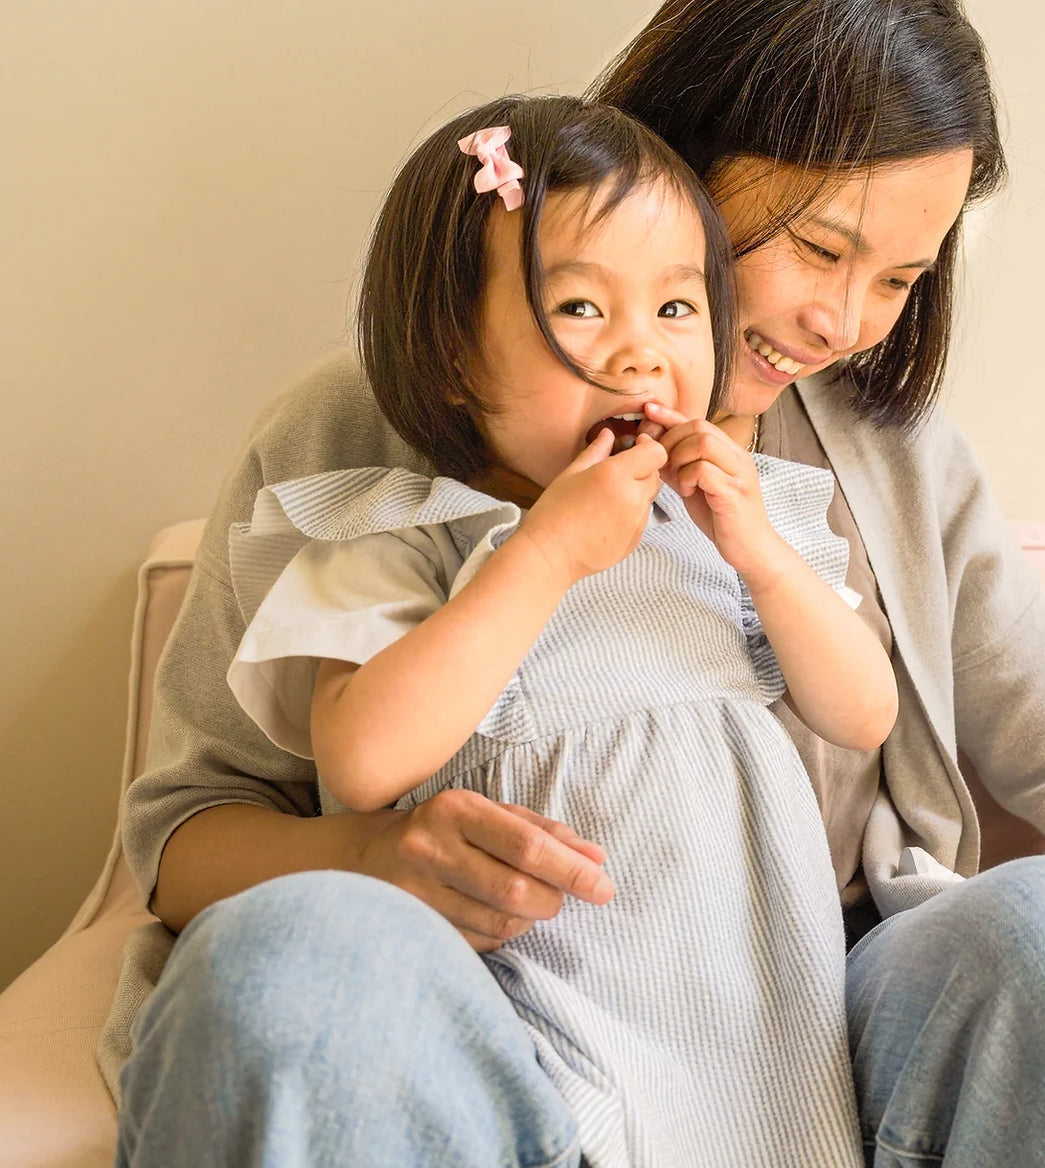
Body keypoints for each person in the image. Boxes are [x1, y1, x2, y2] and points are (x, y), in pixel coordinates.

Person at [109, 2, 1045, 1164]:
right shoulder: (371, 443)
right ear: (666, 169)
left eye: (902, 277)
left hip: (812, 1038)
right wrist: (368, 858)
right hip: (490, 1031)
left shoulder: (860, 472)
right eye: (815, 247)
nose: (846, 324)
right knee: (292, 962)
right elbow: (189, 836)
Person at [215, 94, 892, 1164]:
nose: (641, 356)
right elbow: (359, 757)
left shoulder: (732, 524)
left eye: (676, 311)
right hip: (540, 1021)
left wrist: (760, 553)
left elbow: (863, 711)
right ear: (449, 354)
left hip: (751, 1021)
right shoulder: (403, 529)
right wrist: (544, 554)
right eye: (581, 309)